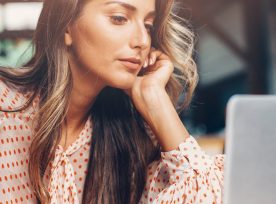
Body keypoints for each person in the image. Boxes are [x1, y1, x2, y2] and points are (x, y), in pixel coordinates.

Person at [0, 0, 225, 203]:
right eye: (119, 18)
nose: (142, 41)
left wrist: (155, 100)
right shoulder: (5, 108)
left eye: (148, 25)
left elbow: (213, 198)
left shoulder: (131, 138)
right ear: (67, 25)